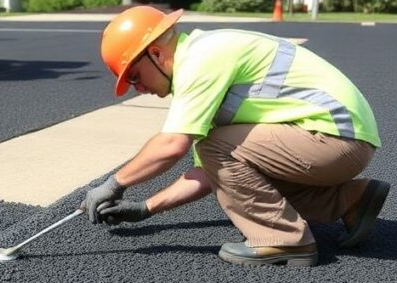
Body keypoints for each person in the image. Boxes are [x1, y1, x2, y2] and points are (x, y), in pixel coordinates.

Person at [81, 6, 389, 267]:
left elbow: (172, 144)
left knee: (216, 148)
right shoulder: (203, 57)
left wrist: (114, 183)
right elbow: (208, 173)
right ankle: (351, 201)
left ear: (157, 53)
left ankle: (284, 240)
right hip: (340, 137)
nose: (136, 87)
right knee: (232, 176)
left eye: (134, 76)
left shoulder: (202, 60)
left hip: (335, 138)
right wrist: (145, 209)